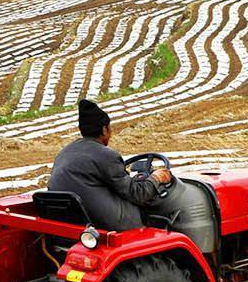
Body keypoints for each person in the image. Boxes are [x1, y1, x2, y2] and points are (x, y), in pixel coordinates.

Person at [46, 99, 171, 231]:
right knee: (157, 212)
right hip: (106, 226)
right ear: (104, 129)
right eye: (110, 128)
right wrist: (156, 178)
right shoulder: (106, 155)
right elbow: (137, 195)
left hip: (70, 222)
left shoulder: (65, 152)